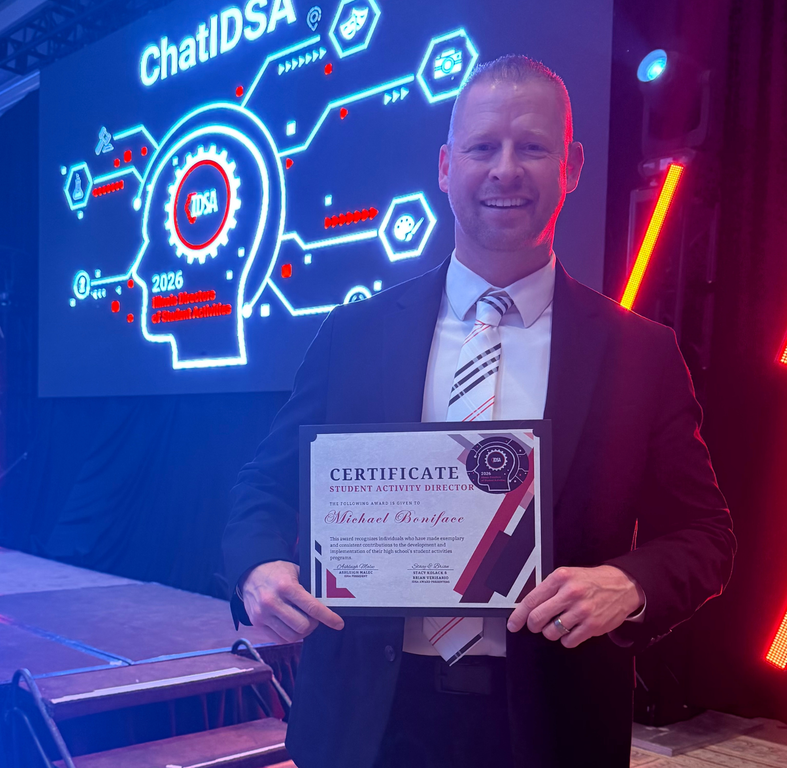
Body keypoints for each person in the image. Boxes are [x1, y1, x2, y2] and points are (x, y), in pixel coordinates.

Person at [222, 55, 736, 768]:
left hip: (551, 728)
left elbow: (706, 536)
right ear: (444, 164)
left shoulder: (640, 353)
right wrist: (258, 568)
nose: (505, 170)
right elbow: (265, 488)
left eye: (532, 147)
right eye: (482, 147)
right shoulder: (352, 335)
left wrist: (632, 583)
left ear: (572, 165)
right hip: (365, 725)